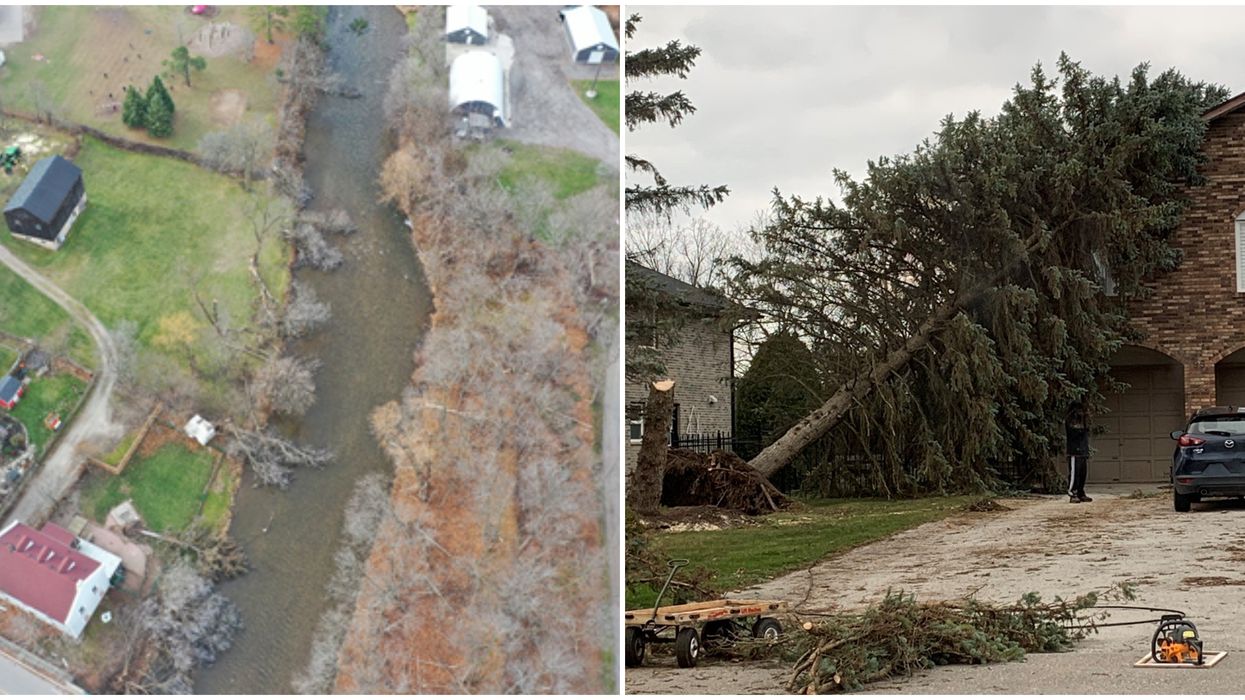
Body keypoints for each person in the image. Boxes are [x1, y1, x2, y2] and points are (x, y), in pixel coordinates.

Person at [1066, 408, 1093, 503]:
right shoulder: (1071, 422)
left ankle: (1081, 492)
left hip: (1083, 452)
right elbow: (1075, 432)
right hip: (1074, 452)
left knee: (1083, 474)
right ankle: (1073, 493)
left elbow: (1085, 430)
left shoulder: (1084, 423)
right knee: (1074, 474)